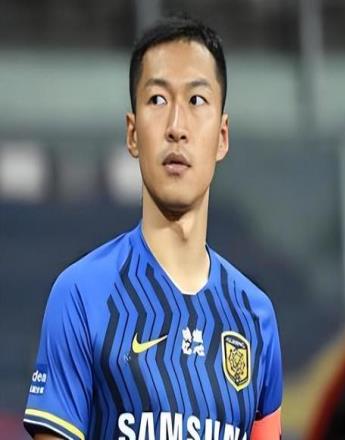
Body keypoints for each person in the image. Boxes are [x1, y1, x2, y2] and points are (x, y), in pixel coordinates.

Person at [23, 15, 282, 440]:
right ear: (132, 134)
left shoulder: (255, 316)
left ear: (222, 136)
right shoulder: (81, 296)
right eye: (158, 99)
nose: (176, 127)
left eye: (196, 100)